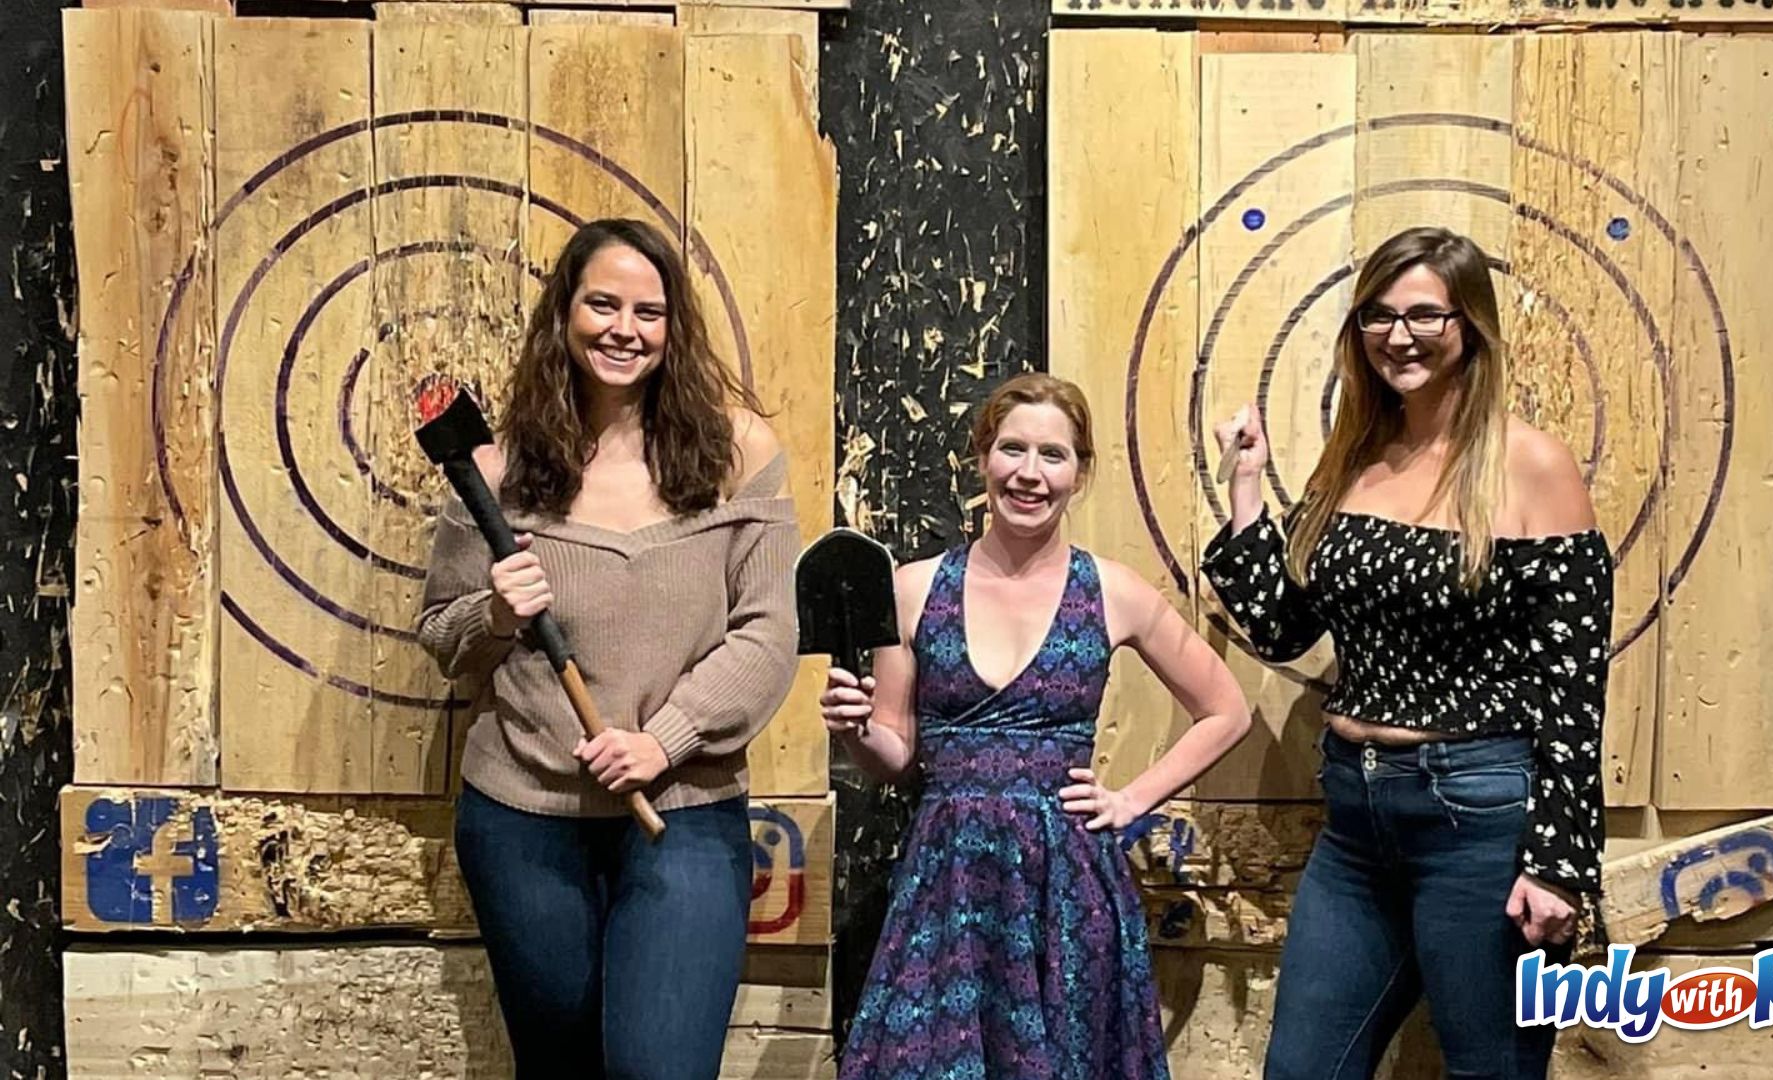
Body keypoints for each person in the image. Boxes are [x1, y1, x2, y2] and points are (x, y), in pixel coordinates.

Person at [1202, 225, 1613, 1079]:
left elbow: (1573, 685)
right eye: (1378, 316)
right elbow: (1285, 631)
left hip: (1479, 819)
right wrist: (1246, 493)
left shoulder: (1532, 465)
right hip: (1356, 820)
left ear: (1471, 326)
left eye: (1426, 314)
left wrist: (1560, 865)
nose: (1400, 335)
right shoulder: (1353, 457)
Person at [415, 218, 799, 1079]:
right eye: (603, 304)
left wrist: (664, 739)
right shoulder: (494, 468)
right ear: (564, 314)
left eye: (649, 312)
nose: (625, 328)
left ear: (674, 328)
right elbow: (443, 636)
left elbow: (771, 632)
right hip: (523, 820)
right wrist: (495, 616)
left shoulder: (739, 454)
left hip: (685, 815)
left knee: (656, 1069)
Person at [820, 372, 1253, 1080]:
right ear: (982, 457)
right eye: (1012, 449)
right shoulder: (913, 587)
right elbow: (896, 754)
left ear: (1080, 473)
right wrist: (852, 727)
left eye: (1053, 455)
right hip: (947, 881)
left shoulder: (1113, 589)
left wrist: (1132, 799)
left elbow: (1226, 708)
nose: (1029, 473)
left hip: (1067, 886)